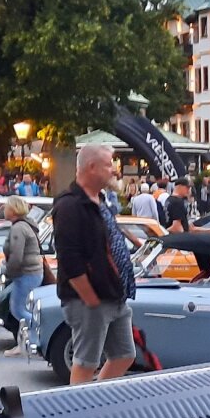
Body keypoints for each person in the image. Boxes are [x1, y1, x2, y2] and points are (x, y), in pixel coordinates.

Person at [54, 144, 137, 384]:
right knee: (85, 362)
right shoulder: (70, 205)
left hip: (113, 295)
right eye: (109, 164)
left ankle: (96, 401)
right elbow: (69, 258)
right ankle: (77, 416)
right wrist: (90, 298)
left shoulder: (99, 200)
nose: (114, 170)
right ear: (91, 167)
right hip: (91, 299)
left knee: (124, 355)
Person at [1, 195, 45, 357]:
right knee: (20, 309)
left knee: (19, 310)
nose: (5, 210)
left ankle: (36, 339)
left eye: (7, 207)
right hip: (31, 272)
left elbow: (17, 255)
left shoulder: (19, 228)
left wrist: (8, 272)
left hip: (26, 273)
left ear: (13, 210)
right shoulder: (26, 225)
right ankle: (24, 343)